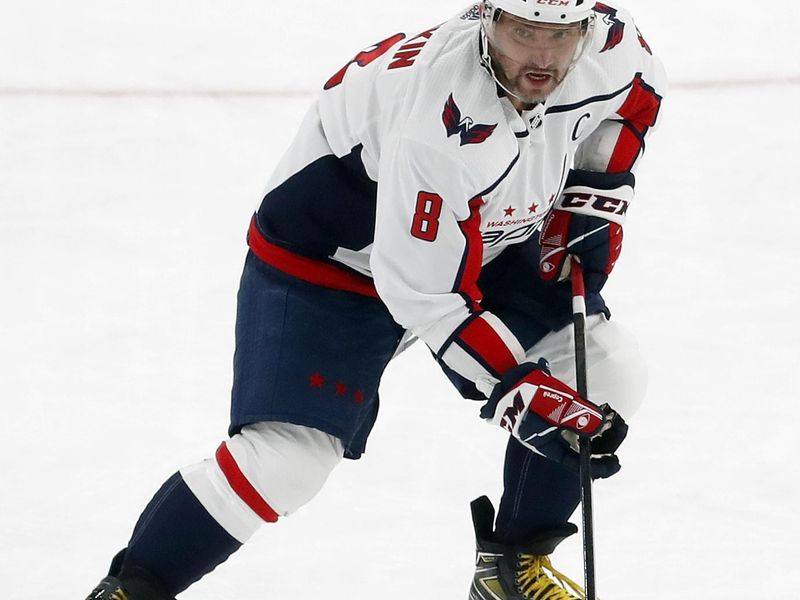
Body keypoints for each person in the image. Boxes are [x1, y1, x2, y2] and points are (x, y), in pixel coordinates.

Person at [85, 1, 665, 598]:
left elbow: (636, 99)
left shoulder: (611, 45)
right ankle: (133, 588)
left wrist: (592, 194)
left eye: (561, 35)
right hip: (329, 262)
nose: (544, 57)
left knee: (603, 368)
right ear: (488, 20)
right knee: (286, 461)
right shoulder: (439, 119)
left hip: (477, 234)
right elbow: (425, 294)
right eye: (524, 32)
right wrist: (518, 390)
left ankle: (509, 571)